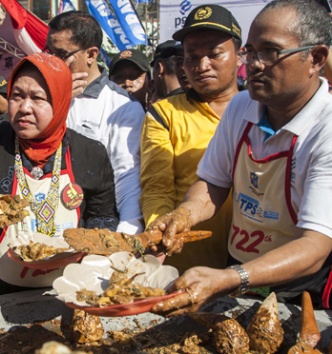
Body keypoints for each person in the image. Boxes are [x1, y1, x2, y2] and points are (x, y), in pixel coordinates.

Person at [151, 0, 332, 315]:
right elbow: (212, 184)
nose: (256, 65)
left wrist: (231, 278)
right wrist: (184, 215)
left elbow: (315, 246)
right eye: (251, 52)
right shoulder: (241, 107)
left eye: (271, 52)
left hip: (297, 287)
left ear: (314, 58)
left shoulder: (326, 129)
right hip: (238, 266)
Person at [0, 53, 119, 297]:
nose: (24, 108)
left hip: (69, 286)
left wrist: (93, 252)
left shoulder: (90, 153)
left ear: (61, 101)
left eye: (37, 98)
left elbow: (103, 216)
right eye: (17, 96)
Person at [139, 4, 242, 273]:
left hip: (256, 259)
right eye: (192, 57)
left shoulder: (262, 109)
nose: (202, 66)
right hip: (188, 262)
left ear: (239, 55)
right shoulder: (165, 113)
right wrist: (161, 230)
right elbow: (156, 185)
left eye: (214, 54)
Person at [46, 11, 145, 234]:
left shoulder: (122, 107)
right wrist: (57, 101)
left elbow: (126, 176)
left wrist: (127, 234)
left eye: (61, 54)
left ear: (91, 54)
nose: (52, 62)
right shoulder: (41, 95)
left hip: (94, 225)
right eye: (48, 52)